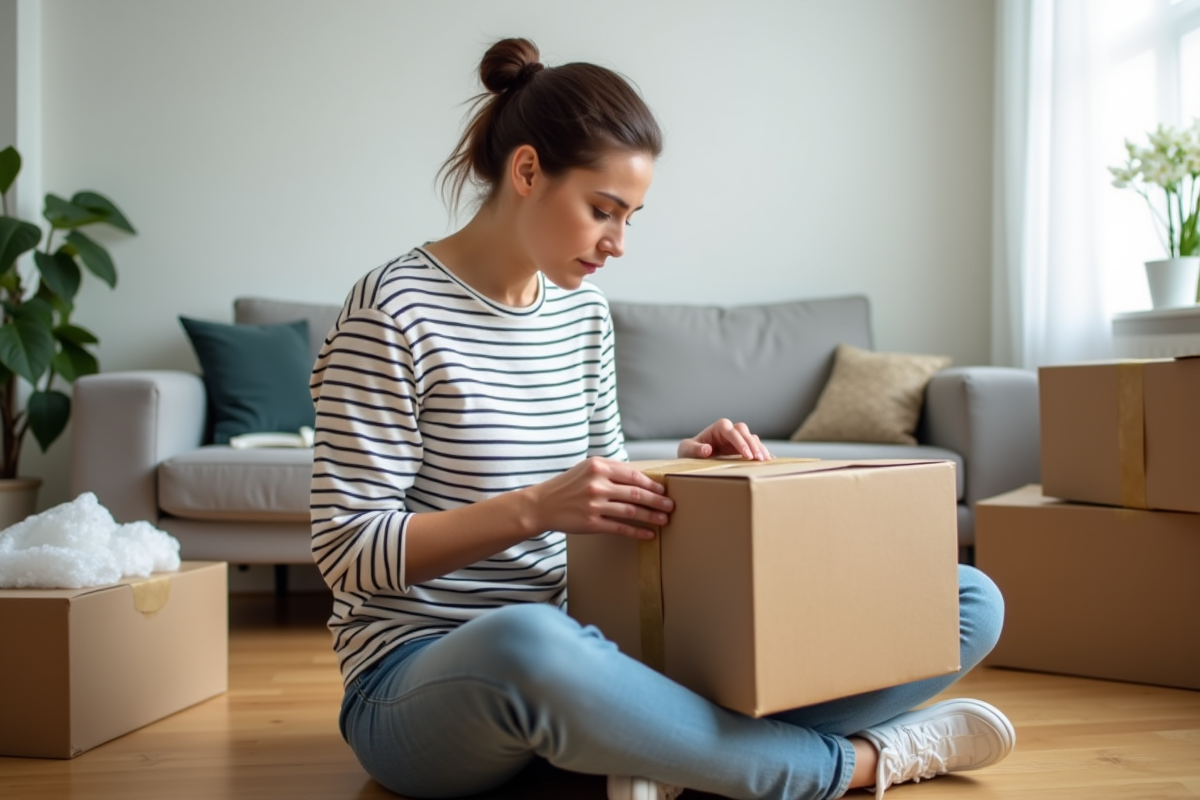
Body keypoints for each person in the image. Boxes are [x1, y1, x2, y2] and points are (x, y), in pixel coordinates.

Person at [310, 37, 1014, 800]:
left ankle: (659, 746)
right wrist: (536, 508)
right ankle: (849, 765)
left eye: (631, 218)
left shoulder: (583, 315)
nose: (617, 243)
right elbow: (347, 551)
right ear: (526, 172)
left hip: (596, 652)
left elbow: (607, 507)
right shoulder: (392, 309)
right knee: (530, 642)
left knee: (965, 600)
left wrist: (682, 474)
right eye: (602, 211)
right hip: (422, 678)